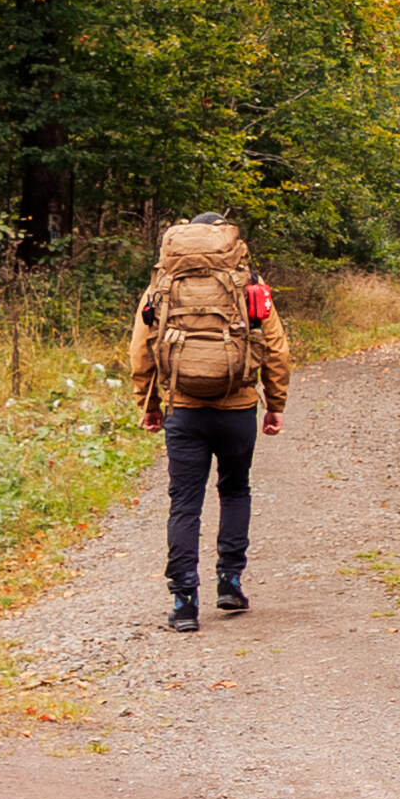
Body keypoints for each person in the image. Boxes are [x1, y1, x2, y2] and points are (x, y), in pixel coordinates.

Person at [129, 213, 293, 633]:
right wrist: (274, 403)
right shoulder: (249, 285)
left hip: (184, 408)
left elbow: (142, 348)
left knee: (185, 502)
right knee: (235, 490)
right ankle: (230, 583)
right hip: (237, 408)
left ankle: (184, 601)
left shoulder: (162, 286)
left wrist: (148, 403)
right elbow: (275, 348)